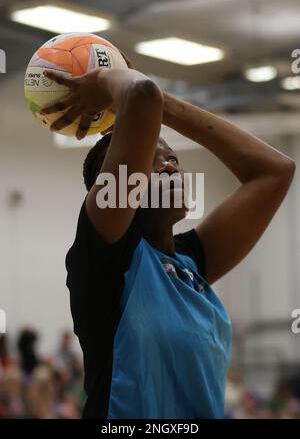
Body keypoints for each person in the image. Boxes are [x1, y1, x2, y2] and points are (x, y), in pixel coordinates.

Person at [40, 54, 295, 419]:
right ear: (111, 189)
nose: (169, 165)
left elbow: (275, 172)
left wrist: (163, 106)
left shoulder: (190, 262)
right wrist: (105, 82)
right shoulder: (107, 256)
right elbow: (142, 94)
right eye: (150, 160)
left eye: (172, 157)